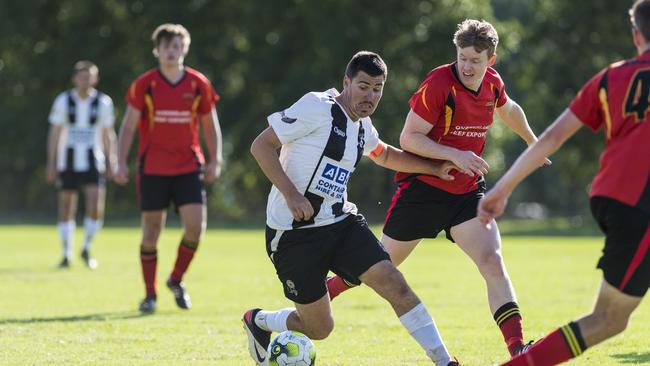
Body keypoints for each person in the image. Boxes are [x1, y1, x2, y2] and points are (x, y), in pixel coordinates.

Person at [326, 19, 548, 356]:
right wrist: (455, 154)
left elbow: (509, 109)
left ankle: (517, 348)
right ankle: (318, 296)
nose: (467, 66)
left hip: (466, 194)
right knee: (376, 269)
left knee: (492, 261)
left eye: (475, 60)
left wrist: (533, 141)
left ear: (491, 59)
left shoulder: (492, 82)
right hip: (423, 192)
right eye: (462, 57)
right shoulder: (439, 83)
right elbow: (408, 138)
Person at [244, 51, 461, 366]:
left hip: (341, 224)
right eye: (363, 86)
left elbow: (383, 154)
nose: (370, 95)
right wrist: (292, 195)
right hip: (293, 234)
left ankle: (444, 362)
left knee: (394, 283)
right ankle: (261, 320)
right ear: (346, 82)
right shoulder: (317, 107)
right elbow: (260, 146)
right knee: (320, 328)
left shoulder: (363, 126)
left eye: (377, 88)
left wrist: (433, 168)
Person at [477, 1, 650, 365]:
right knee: (608, 319)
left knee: (609, 319)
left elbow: (553, 136)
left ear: (636, 35)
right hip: (641, 204)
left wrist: (503, 187)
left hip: (612, 196)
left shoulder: (609, 77)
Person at [114, 23, 223, 313]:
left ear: (184, 49)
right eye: (166, 46)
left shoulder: (198, 83)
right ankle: (149, 295)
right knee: (151, 232)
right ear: (157, 50)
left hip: (188, 165)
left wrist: (215, 159)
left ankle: (176, 279)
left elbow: (210, 125)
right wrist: (119, 160)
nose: (171, 51)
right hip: (153, 168)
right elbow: (127, 125)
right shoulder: (145, 84)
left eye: (177, 46)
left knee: (195, 228)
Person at [46, 60, 116, 270]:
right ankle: (66, 253)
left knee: (95, 205)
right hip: (67, 160)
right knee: (66, 206)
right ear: (75, 79)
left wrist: (112, 160)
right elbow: (55, 133)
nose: (85, 81)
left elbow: (108, 134)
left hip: (93, 160)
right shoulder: (64, 101)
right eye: (82, 77)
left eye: (90, 77)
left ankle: (86, 247)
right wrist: (51, 163)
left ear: (95, 79)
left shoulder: (103, 102)